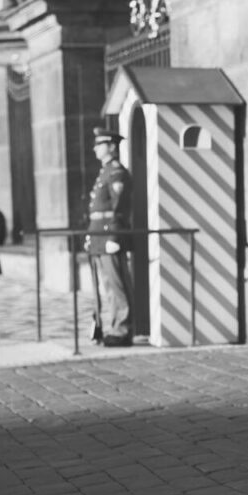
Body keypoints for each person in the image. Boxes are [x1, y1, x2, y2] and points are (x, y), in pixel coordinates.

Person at [85, 127, 135, 347]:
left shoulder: (117, 172)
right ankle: (114, 327)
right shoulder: (105, 172)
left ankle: (122, 329)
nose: (96, 148)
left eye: (100, 144)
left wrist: (114, 235)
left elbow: (119, 208)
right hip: (99, 236)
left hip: (109, 236)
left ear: (112, 147)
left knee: (117, 284)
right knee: (106, 286)